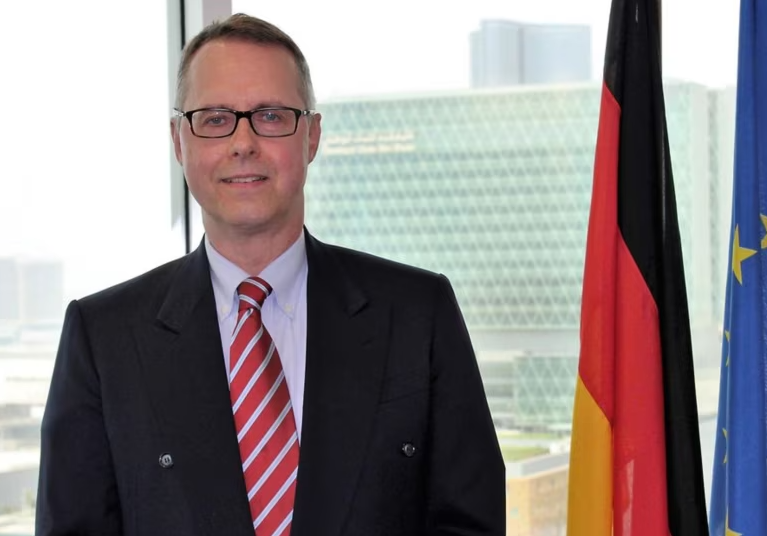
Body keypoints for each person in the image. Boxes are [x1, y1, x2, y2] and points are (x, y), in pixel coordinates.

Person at [35, 13, 505, 536]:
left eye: (271, 116)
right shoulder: (103, 338)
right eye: (215, 118)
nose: (243, 142)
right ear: (179, 142)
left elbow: (471, 524)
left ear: (312, 136)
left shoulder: (418, 314)